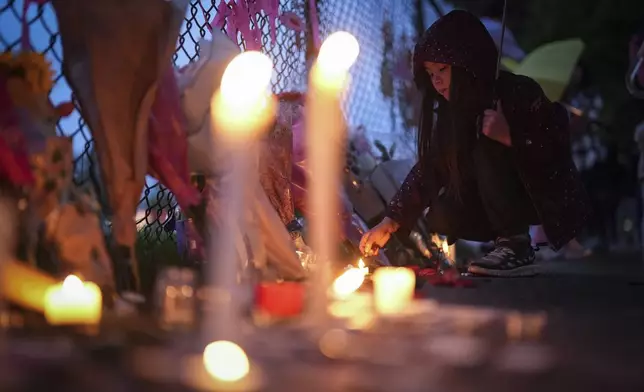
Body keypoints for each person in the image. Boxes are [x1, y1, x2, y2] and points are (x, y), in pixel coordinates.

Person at [359, 10, 592, 277]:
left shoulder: (516, 91)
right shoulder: (451, 111)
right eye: (430, 72)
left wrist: (509, 136)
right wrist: (391, 221)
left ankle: (516, 244)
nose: (436, 80)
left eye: (443, 69)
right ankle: (504, 243)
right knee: (442, 211)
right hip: (491, 199)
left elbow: (554, 149)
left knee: (485, 143)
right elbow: (431, 167)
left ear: (466, 61)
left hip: (540, 194)